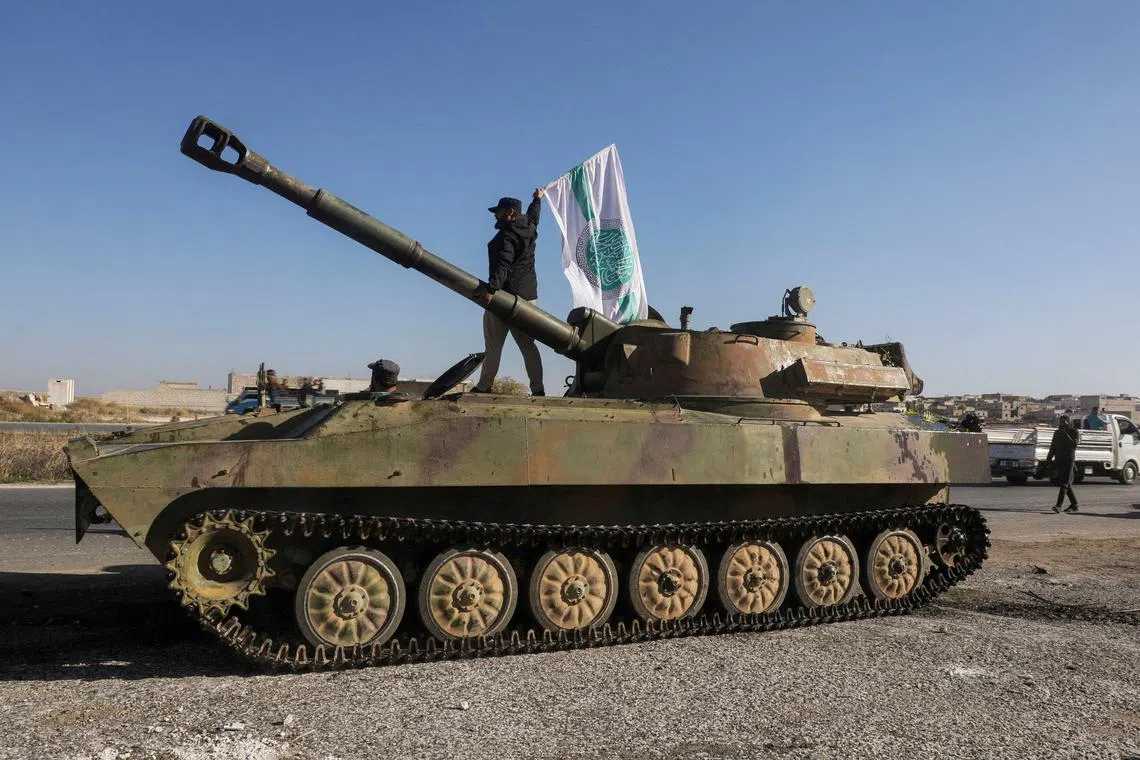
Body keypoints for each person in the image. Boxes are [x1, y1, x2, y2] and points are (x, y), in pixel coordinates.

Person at [471, 189, 545, 396]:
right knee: (528, 346)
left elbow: (504, 264)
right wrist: (538, 198)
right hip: (528, 298)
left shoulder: (506, 236)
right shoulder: (529, 225)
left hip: (504, 297)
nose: (496, 216)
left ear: (510, 212)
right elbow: (534, 215)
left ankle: (484, 387)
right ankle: (538, 390)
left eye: (499, 212)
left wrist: (491, 290)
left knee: (493, 346)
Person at [1044, 415, 1079, 513]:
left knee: (1064, 484)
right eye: (1061, 422)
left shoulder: (1074, 432)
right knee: (1065, 483)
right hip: (1059, 460)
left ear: (1069, 422)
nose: (1062, 424)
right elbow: (1053, 447)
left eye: (1064, 422)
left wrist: (1066, 434)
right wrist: (1048, 460)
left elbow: (1074, 445)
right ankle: (1074, 504)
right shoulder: (1057, 433)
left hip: (1069, 460)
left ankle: (1058, 505)